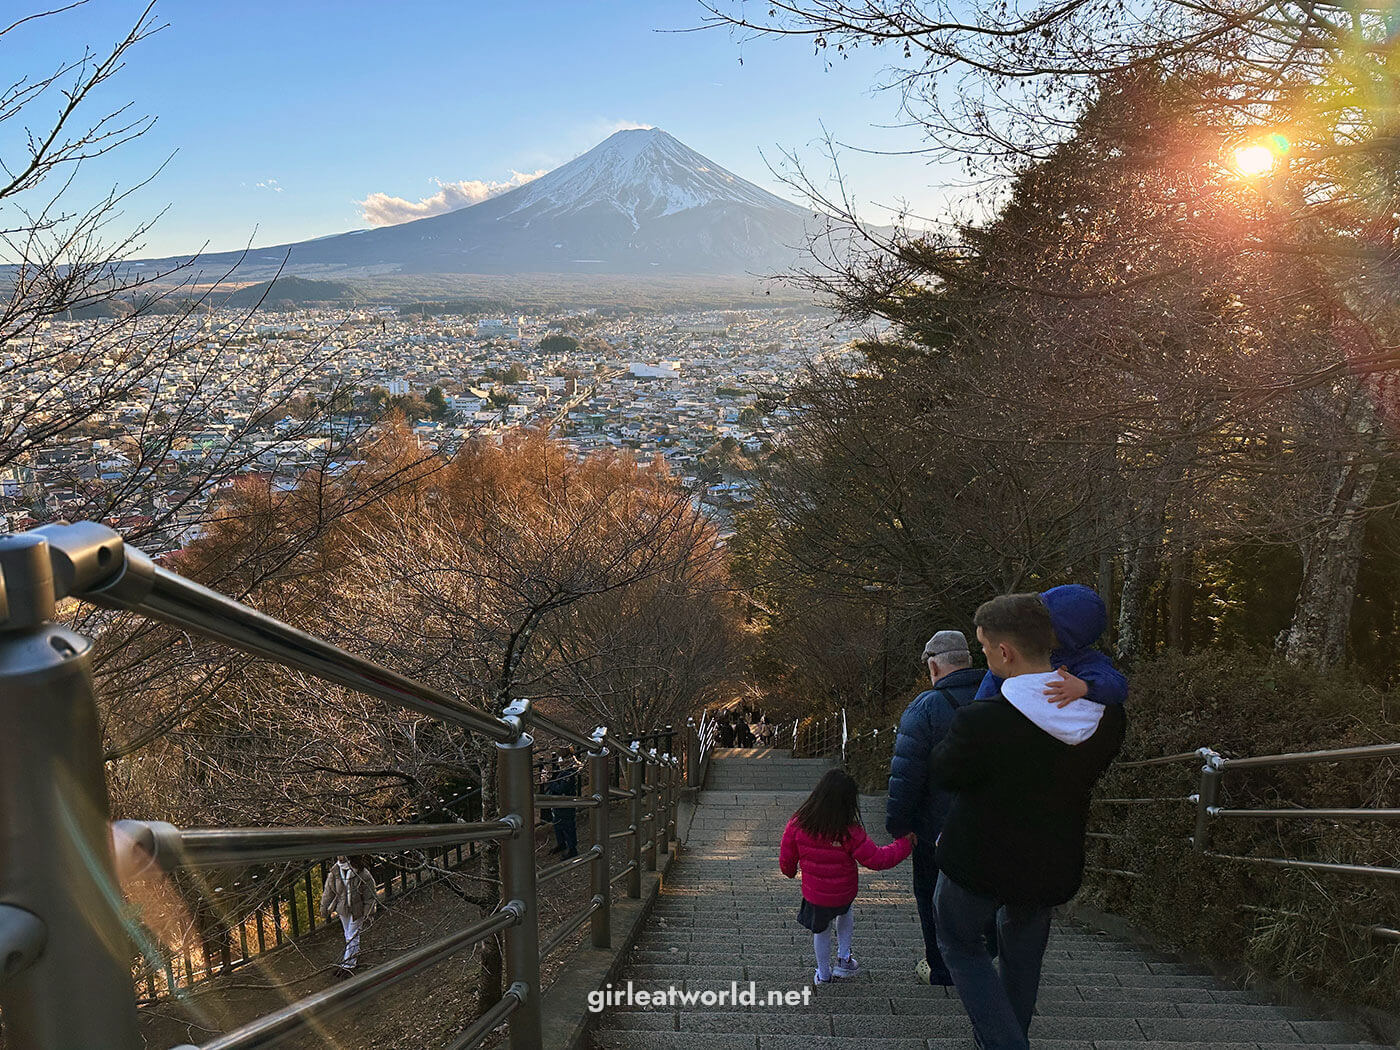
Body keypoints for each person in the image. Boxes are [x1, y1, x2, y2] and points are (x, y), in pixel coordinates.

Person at [930, 594, 1126, 1050]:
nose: (982, 654)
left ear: (1006, 652)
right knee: (1022, 956)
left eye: (983, 646)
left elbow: (945, 772)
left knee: (959, 942)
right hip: (1051, 862)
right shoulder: (1106, 719)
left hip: (977, 861)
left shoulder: (983, 721)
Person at [885, 629, 990, 986]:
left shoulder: (926, 707)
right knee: (989, 889)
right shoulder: (1003, 696)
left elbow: (906, 773)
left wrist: (900, 824)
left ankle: (942, 966)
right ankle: (987, 958)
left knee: (931, 894)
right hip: (997, 823)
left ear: (934, 665)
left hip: (936, 827)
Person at [779, 768, 914, 985]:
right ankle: (844, 958)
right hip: (844, 892)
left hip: (816, 895)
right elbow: (877, 859)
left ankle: (823, 974)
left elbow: (786, 858)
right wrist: (904, 844)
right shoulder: (849, 831)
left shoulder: (798, 824)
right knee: (845, 913)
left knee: (820, 930)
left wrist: (790, 872)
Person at [973, 584, 1127, 709]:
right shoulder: (1018, 651)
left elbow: (1117, 685)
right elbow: (983, 698)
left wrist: (1086, 687)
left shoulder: (1086, 661)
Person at [320, 854, 378, 978]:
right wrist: (324, 908)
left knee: (352, 935)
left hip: (357, 909)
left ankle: (348, 965)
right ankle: (352, 956)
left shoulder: (362, 872)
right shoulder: (335, 871)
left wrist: (369, 911)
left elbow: (370, 893)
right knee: (348, 935)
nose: (339, 856)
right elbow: (328, 891)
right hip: (343, 909)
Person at [544, 751, 581, 858]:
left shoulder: (569, 773)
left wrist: (550, 782)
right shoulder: (563, 771)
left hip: (566, 804)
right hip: (558, 804)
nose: (560, 762)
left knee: (568, 826)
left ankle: (572, 849)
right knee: (558, 825)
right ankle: (561, 844)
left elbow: (561, 788)